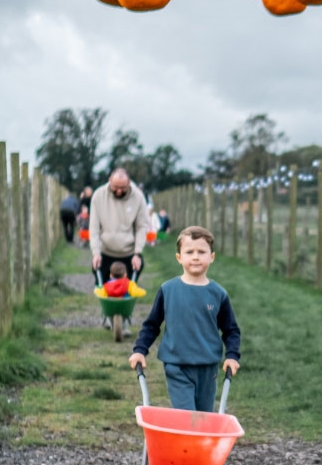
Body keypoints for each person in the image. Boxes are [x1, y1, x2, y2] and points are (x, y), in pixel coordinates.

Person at [128, 226, 241, 412]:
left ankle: (198, 441)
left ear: (211, 257)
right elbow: (151, 325)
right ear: (179, 258)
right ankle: (186, 440)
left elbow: (231, 330)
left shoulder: (218, 294)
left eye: (201, 252)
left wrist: (232, 356)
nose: (195, 257)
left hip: (208, 366)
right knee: (187, 415)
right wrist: (140, 350)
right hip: (176, 364)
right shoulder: (168, 290)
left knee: (204, 417)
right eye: (189, 252)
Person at [89, 169, 150, 290]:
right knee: (104, 291)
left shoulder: (138, 197)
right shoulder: (98, 196)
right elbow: (94, 228)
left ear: (129, 183)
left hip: (129, 253)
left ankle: (126, 309)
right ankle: (107, 309)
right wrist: (96, 253)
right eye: (115, 187)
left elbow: (141, 227)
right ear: (109, 181)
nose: (118, 191)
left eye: (123, 188)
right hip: (106, 252)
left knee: (127, 291)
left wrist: (137, 253)